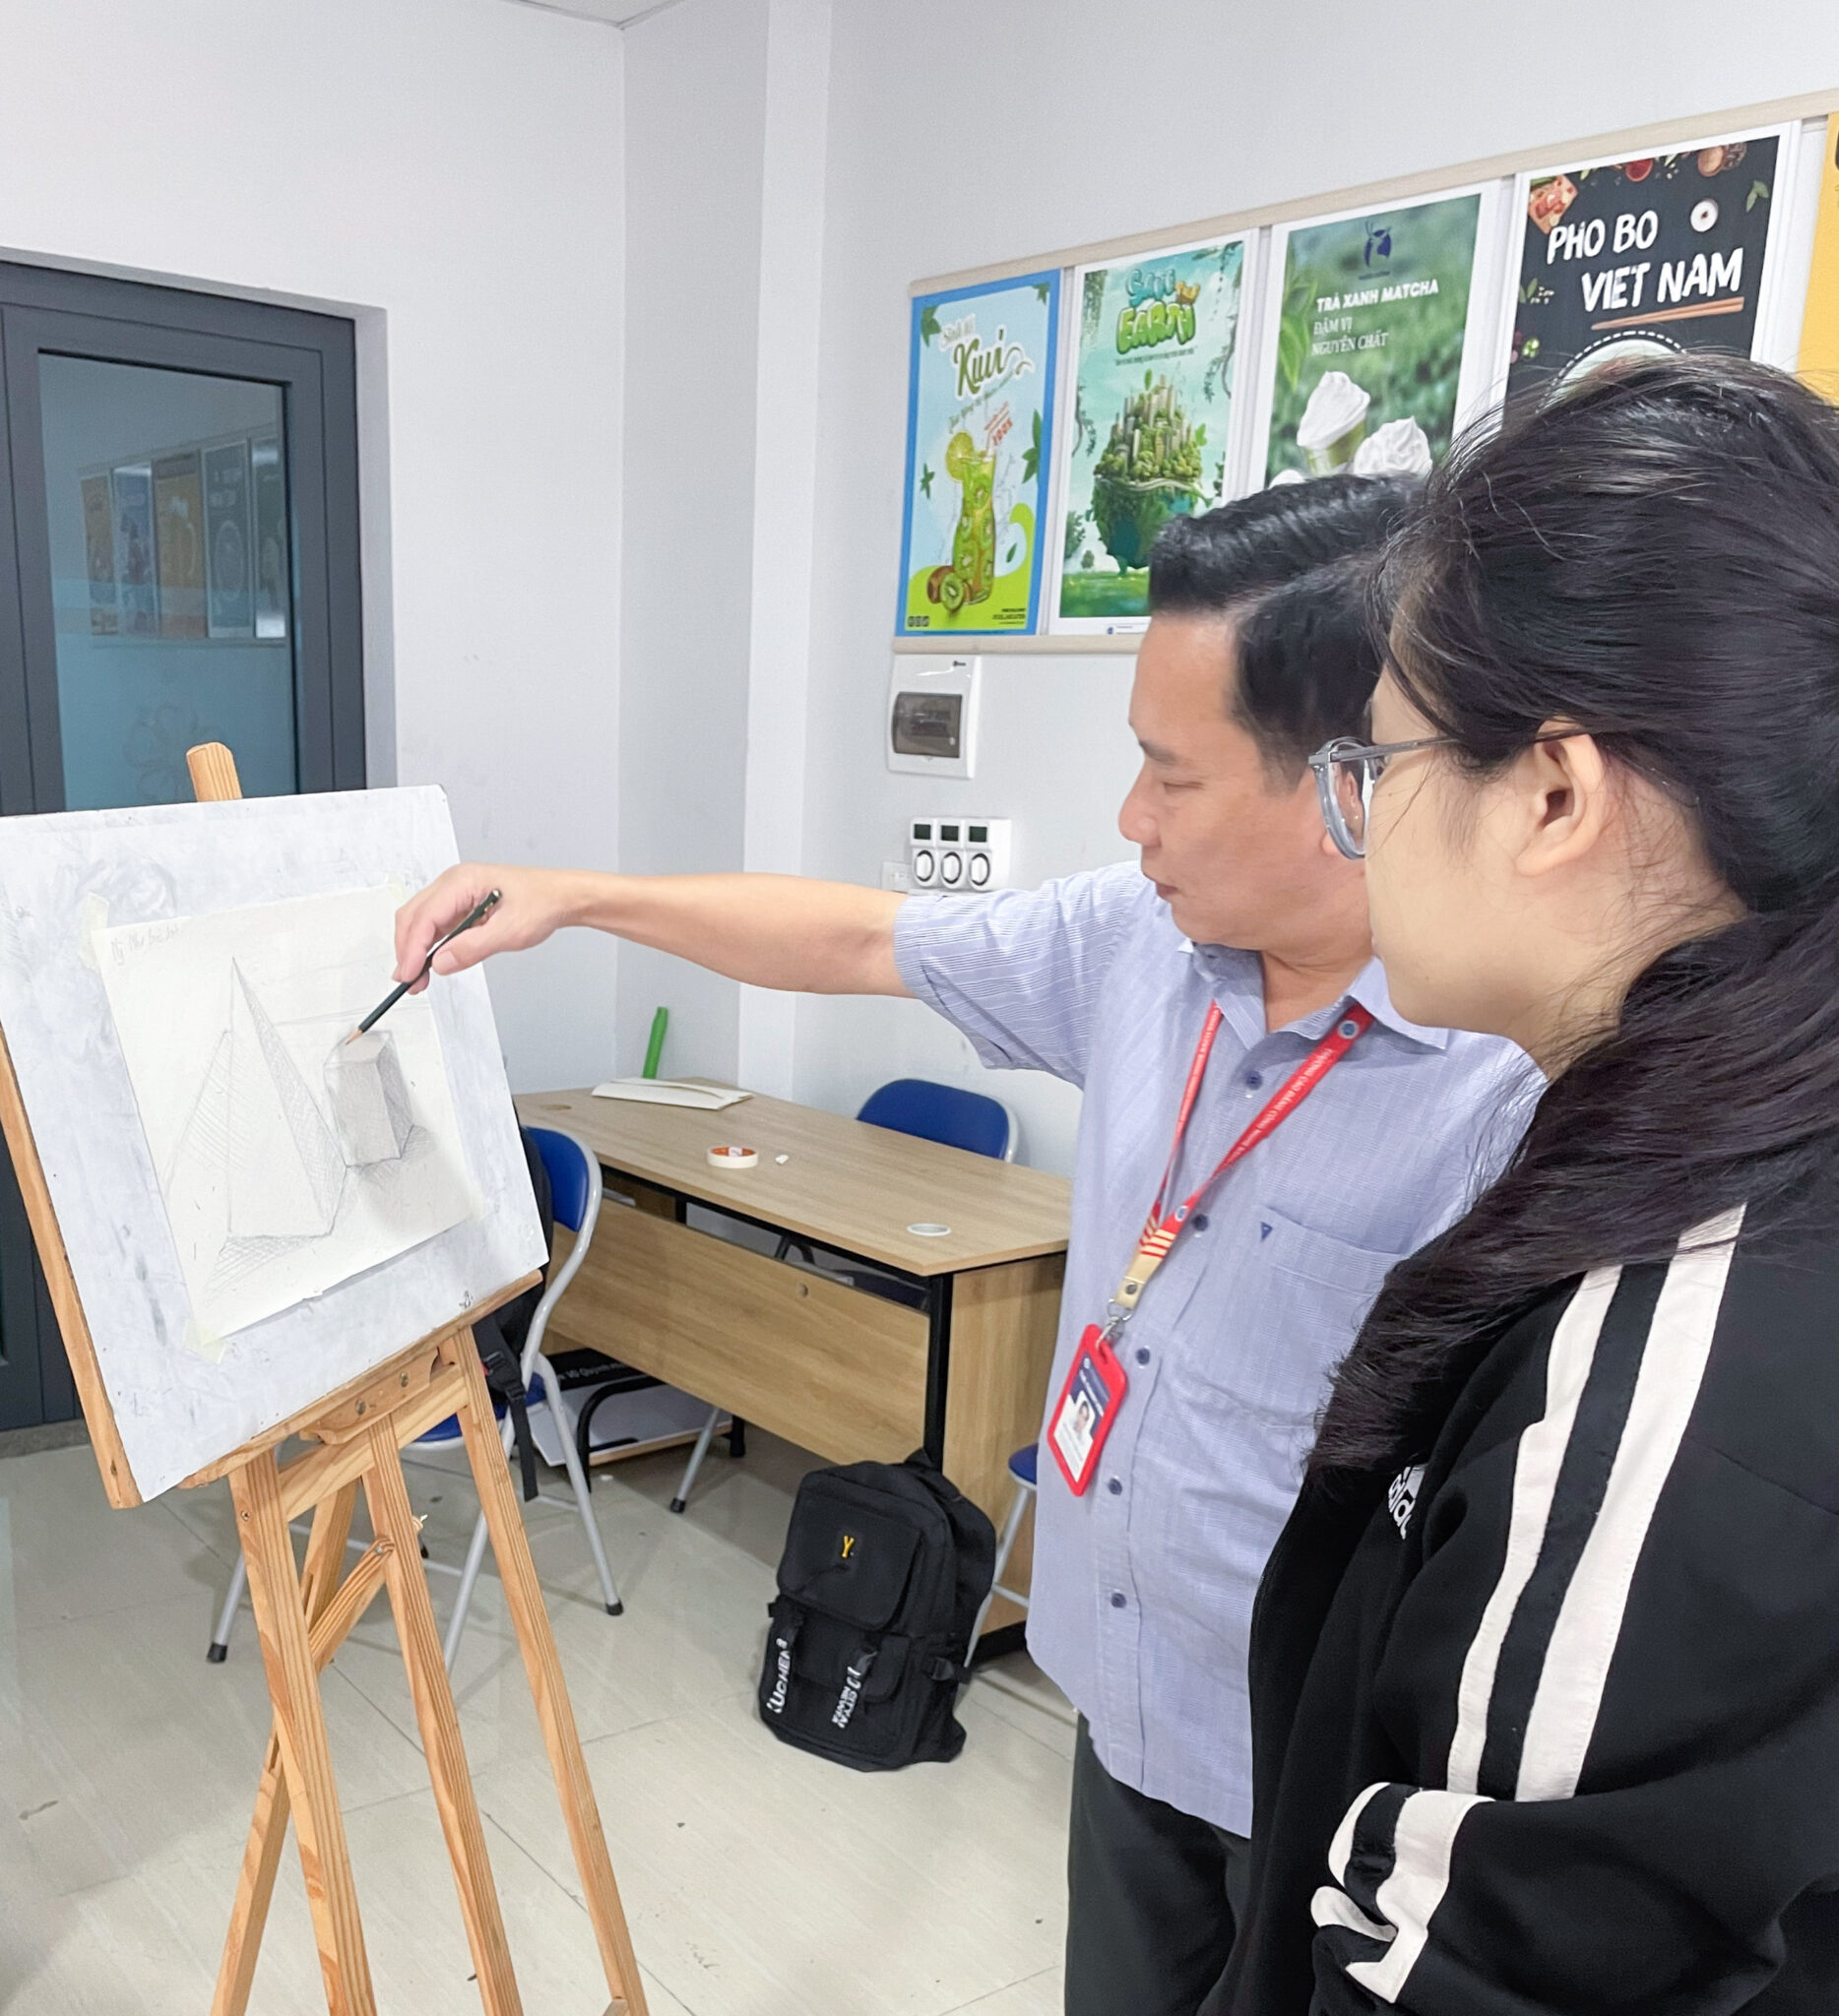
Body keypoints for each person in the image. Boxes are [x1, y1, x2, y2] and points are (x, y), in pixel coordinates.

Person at [394, 479, 1534, 2015]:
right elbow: (863, 937)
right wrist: (580, 898)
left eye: (1171, 775)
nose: (1130, 819)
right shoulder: (1141, 942)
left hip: (1325, 1776)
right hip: (1124, 1699)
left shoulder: (1512, 1070)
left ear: (1357, 783)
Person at [1211, 354, 1839, 2016]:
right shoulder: (1730, 1164)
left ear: (1553, 793)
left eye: (1378, 764)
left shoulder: (1670, 1370)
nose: (1356, 824)